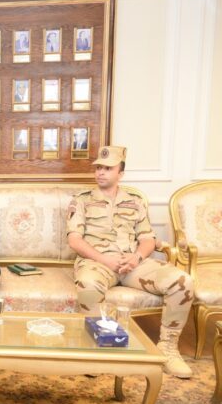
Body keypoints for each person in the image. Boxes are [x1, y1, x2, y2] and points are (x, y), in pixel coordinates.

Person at [66, 146, 194, 378]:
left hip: (133, 263)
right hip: (97, 262)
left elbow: (148, 239)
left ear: (121, 173)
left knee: (182, 281)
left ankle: (168, 349)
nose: (100, 172)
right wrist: (105, 260)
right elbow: (75, 240)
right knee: (88, 284)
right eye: (98, 168)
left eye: (108, 168)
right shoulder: (81, 200)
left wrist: (136, 258)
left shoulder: (135, 202)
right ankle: (94, 350)